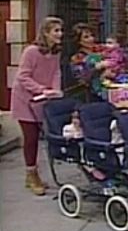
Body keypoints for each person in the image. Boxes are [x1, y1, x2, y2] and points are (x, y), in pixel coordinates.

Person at [10, 17, 64, 196]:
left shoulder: (55, 52)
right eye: (56, 30)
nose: (60, 34)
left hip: (42, 99)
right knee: (31, 137)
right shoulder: (31, 51)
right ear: (46, 33)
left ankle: (32, 176)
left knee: (40, 136)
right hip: (25, 99)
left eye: (60, 30)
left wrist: (55, 90)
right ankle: (31, 175)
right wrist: (41, 89)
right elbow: (22, 77)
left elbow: (56, 72)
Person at [70, 23, 107, 101]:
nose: (91, 39)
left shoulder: (102, 51)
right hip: (90, 95)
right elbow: (82, 80)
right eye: (86, 37)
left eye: (92, 36)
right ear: (79, 41)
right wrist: (95, 68)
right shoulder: (77, 58)